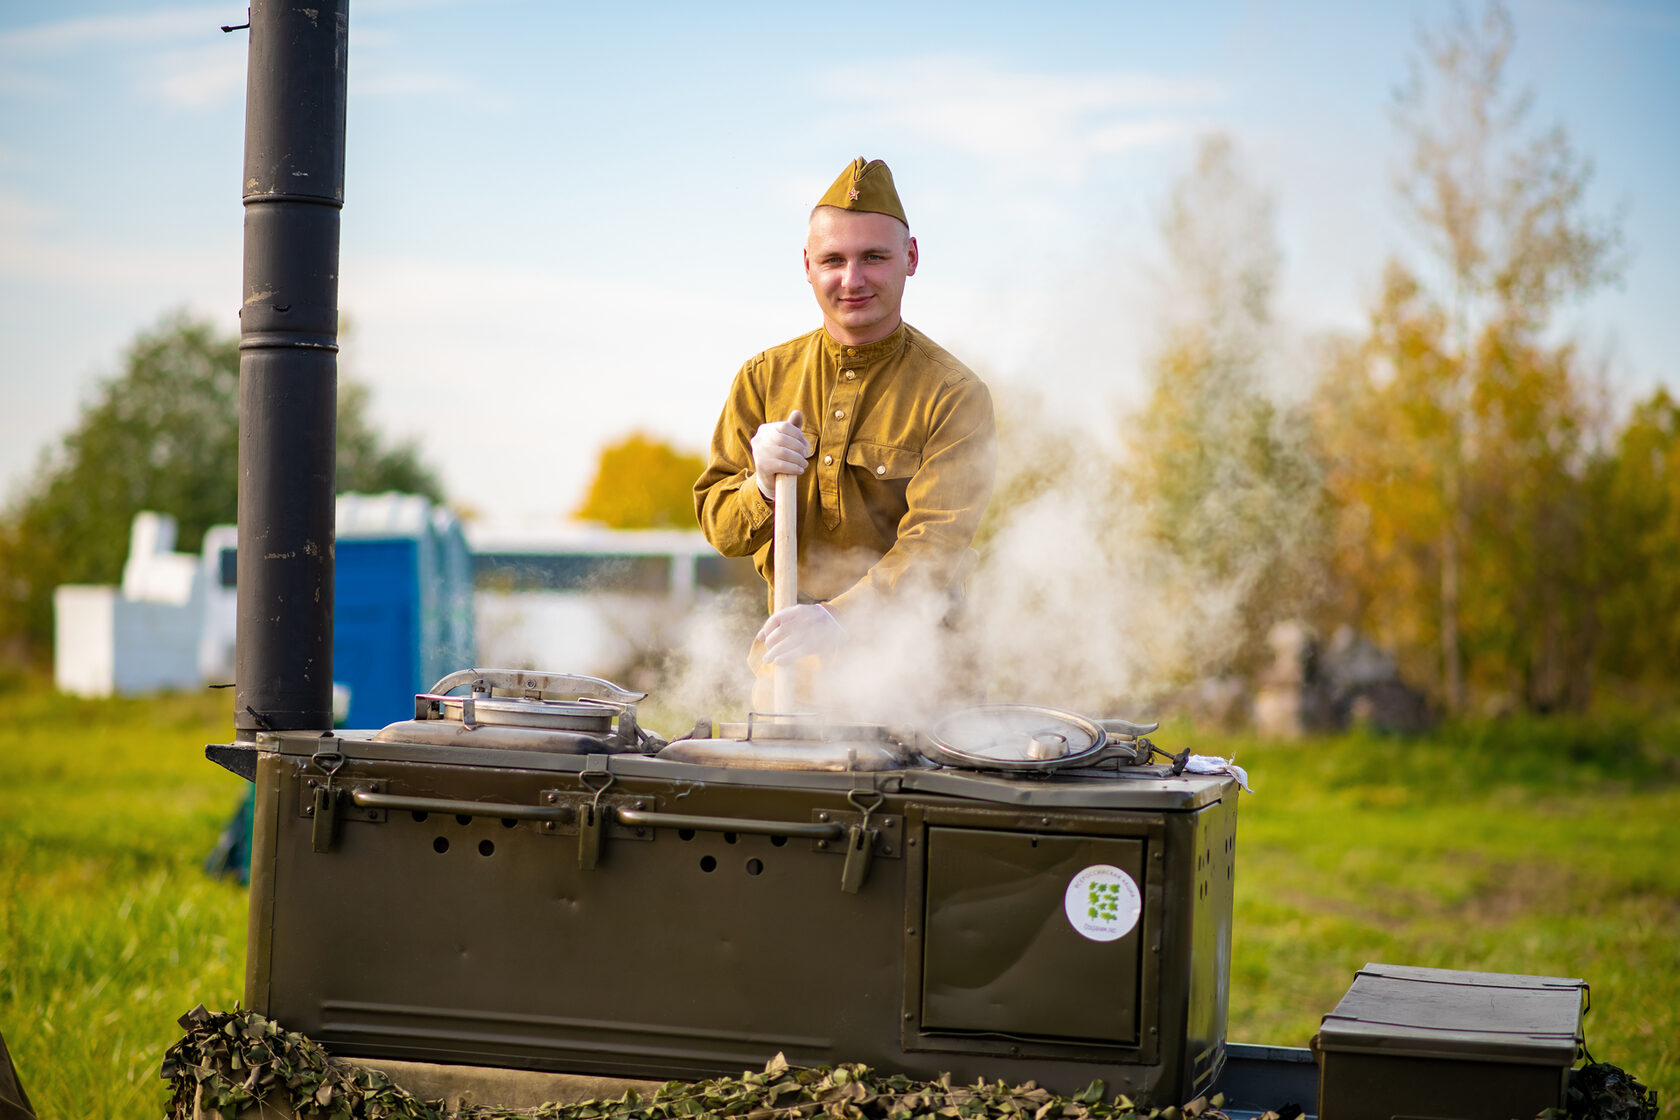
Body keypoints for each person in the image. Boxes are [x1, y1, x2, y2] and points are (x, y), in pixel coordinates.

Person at [694, 157, 997, 711]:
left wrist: (841, 618)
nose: (852, 280)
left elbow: (935, 546)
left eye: (873, 258)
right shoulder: (763, 378)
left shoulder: (954, 393)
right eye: (833, 260)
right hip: (791, 687)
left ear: (910, 259)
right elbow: (721, 529)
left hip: (924, 689)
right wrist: (759, 485)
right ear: (807, 265)